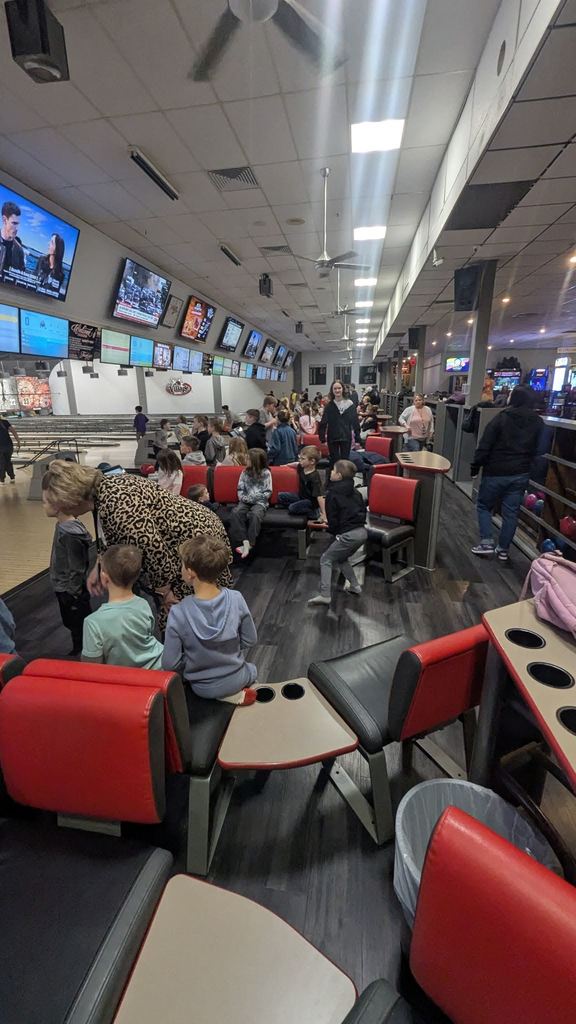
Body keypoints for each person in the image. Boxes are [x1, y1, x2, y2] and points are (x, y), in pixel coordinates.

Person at [41, 461, 232, 627]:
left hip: (194, 538)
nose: (45, 506)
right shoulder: (104, 490)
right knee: (184, 610)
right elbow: (109, 534)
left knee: (181, 608)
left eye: (48, 501)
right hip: (185, 533)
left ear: (69, 501)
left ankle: (194, 654)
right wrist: (99, 564)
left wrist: (165, 591)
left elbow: (154, 549)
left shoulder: (116, 504)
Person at [162, 536, 257, 706]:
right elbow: (251, 639)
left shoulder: (178, 613)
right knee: (253, 670)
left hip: (202, 687)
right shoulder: (236, 599)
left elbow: (170, 663)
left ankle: (225, 696)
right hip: (237, 677)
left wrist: (198, 658)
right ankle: (233, 694)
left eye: (182, 565)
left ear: (191, 573)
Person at [471, 385, 543, 561]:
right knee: (511, 512)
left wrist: (475, 466)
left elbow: (485, 445)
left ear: (515, 398)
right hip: (520, 473)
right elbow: (540, 449)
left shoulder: (501, 418)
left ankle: (487, 542)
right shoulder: (538, 422)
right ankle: (503, 550)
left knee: (484, 506)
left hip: (495, 471)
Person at [82, 545, 163, 669]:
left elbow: (91, 668)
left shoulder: (93, 623)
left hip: (124, 680)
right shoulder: (144, 604)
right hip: (157, 669)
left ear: (104, 577)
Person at [308, 460, 366, 606]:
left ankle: (325, 595)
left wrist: (330, 528)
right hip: (362, 532)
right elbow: (361, 512)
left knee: (325, 559)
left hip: (348, 535)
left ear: (338, 476)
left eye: (333, 471)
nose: (331, 473)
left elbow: (332, 519)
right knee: (341, 558)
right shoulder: (357, 493)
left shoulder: (332, 494)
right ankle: (355, 586)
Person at [43, 489, 92, 655]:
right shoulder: (63, 526)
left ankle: (82, 652)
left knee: (77, 622)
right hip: (65, 586)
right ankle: (79, 648)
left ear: (57, 506)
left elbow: (76, 567)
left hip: (70, 590)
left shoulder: (70, 533)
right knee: (72, 622)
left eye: (45, 502)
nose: (43, 506)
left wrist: (72, 593)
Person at [229, 448, 272, 559]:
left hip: (260, 502)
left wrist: (252, 499)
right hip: (245, 501)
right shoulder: (244, 472)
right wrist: (244, 498)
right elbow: (240, 489)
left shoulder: (266, 473)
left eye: (248, 458)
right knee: (236, 512)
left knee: (255, 515)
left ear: (255, 461)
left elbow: (267, 492)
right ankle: (244, 541)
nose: (246, 459)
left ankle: (251, 542)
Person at [278, 445, 326, 523]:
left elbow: (319, 496)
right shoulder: (302, 467)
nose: (300, 460)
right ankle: (298, 505)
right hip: (301, 496)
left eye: (303, 459)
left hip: (310, 502)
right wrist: (286, 465)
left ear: (312, 461)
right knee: (281, 496)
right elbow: (296, 464)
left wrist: (324, 513)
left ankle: (314, 513)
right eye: (300, 458)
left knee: (292, 508)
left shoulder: (314, 477)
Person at [318, 379, 361, 467]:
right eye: (335, 389)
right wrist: (322, 438)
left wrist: (357, 438)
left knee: (345, 461)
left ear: (343, 389)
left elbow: (355, 422)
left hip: (346, 436)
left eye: (339, 388)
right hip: (332, 437)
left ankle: (344, 479)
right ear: (332, 390)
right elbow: (323, 423)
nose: (337, 390)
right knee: (334, 461)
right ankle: (334, 479)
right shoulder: (329, 406)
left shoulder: (350, 404)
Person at [0, 201, 25, 278]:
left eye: (18, 224)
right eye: (14, 223)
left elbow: (21, 275)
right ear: (4, 220)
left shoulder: (19, 249)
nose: (17, 228)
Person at [0, 413, 20, 484]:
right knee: (8, 461)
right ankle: (12, 477)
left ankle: (2, 479)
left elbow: (13, 431)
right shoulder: (5, 422)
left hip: (3, 446)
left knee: (1, 463)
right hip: (8, 446)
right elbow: (13, 431)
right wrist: (18, 441)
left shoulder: (5, 422)